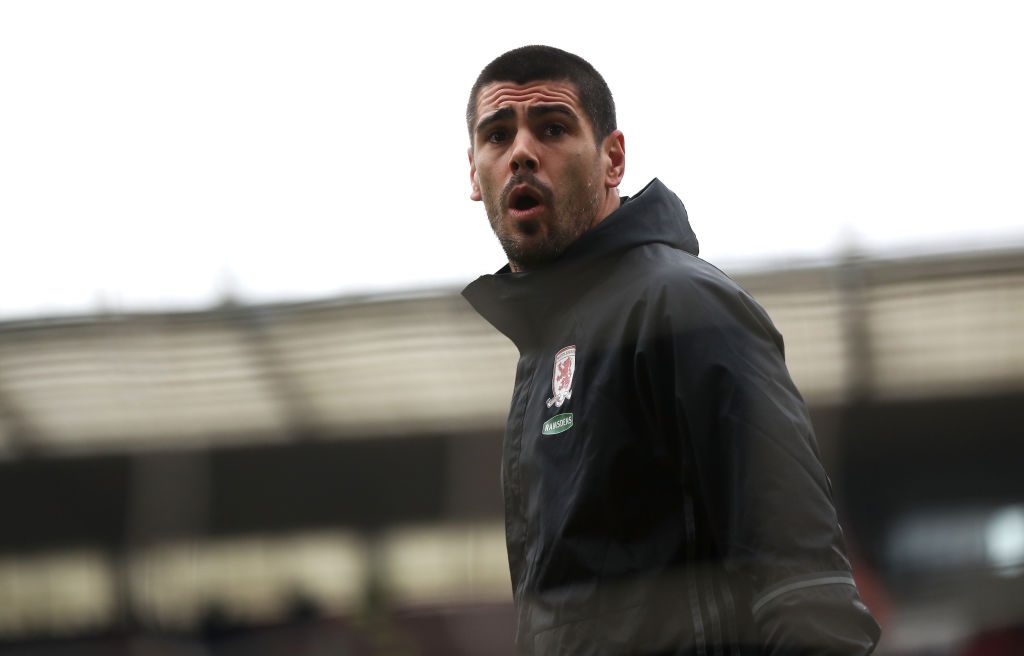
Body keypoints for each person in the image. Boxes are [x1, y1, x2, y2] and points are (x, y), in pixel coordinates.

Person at [461, 45, 881, 655]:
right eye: (497, 136)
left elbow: (803, 584)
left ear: (613, 159)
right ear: (475, 174)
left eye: (552, 127)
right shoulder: (547, 350)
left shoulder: (683, 306)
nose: (522, 151)